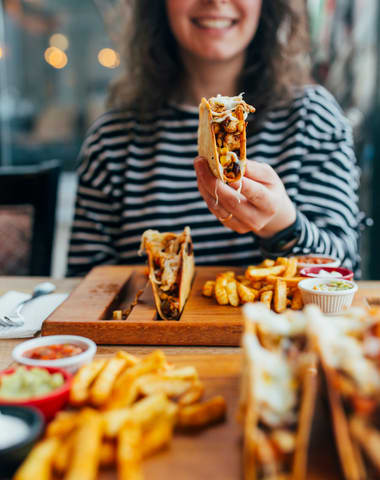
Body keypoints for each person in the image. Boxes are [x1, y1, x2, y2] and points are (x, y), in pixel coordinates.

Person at [67, 0, 363, 277]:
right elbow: (85, 289)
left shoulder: (313, 119)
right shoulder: (112, 140)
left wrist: (283, 226)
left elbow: (346, 273)